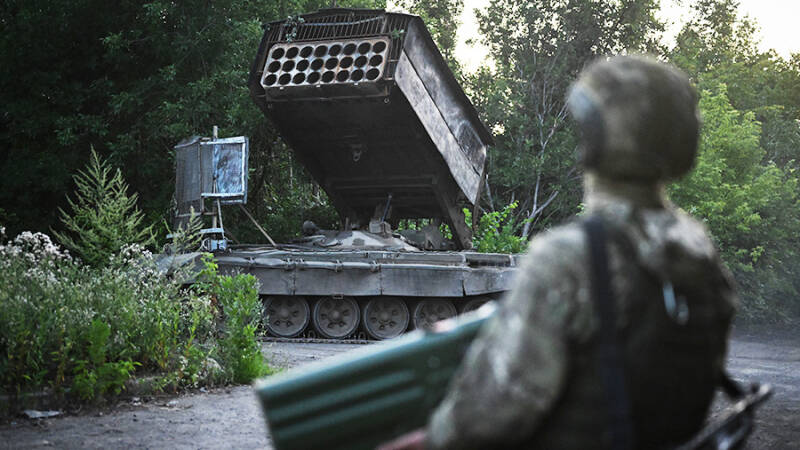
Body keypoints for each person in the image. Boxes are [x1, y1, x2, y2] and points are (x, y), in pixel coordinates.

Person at [379, 55, 737, 449]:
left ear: (596, 139)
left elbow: (496, 409)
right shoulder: (698, 249)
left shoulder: (569, 259)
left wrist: (432, 438)